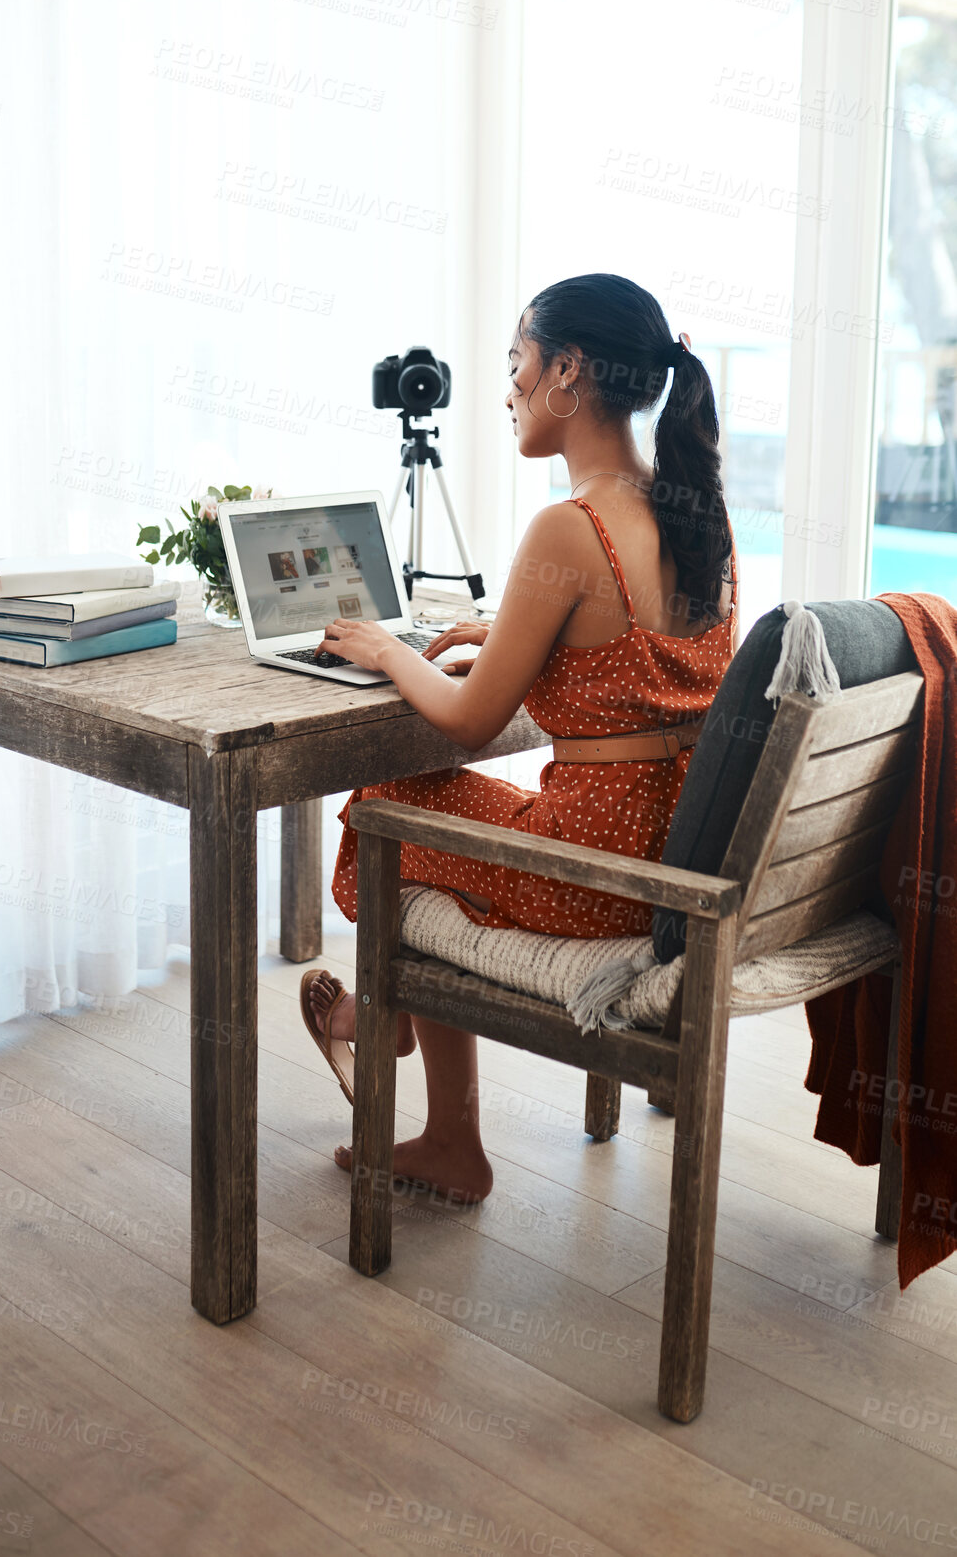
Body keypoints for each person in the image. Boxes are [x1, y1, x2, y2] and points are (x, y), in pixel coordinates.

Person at [299, 272, 738, 1205]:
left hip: (598, 873)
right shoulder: (699, 513)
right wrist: (508, 634)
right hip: (678, 851)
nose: (505, 389)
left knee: (385, 805)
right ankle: (399, 1043)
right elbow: (631, 669)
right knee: (419, 818)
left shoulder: (569, 527)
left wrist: (386, 649)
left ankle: (394, 1037)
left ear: (568, 372)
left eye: (516, 364)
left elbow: (465, 720)